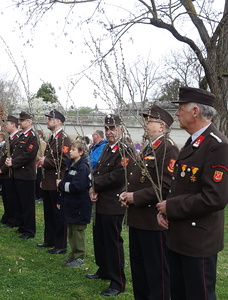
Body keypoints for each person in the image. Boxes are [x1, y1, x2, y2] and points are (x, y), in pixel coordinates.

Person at [156, 87, 228, 300]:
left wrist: (171, 207)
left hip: (199, 242)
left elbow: (215, 197)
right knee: (178, 293)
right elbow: (181, 186)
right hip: (179, 236)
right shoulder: (193, 141)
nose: (177, 114)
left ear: (195, 111)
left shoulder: (218, 145)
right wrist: (167, 211)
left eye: (180, 108)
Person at [119, 104, 179, 300]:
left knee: (157, 275)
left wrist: (135, 197)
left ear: (161, 126)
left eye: (148, 120)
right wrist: (126, 193)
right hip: (138, 220)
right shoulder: (149, 147)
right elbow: (139, 179)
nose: (145, 124)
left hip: (153, 222)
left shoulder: (168, 149)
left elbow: (165, 187)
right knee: (139, 272)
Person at [88, 114, 133, 296]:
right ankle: (104, 269)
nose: (109, 132)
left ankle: (117, 281)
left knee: (113, 242)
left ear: (120, 128)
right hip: (101, 202)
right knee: (100, 239)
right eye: (107, 129)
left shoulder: (125, 149)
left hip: (114, 202)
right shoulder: (107, 147)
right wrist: (94, 188)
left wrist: (94, 184)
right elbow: (99, 170)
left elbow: (116, 177)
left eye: (113, 128)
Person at [38, 109, 71, 254]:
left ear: (58, 121)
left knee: (58, 214)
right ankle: (49, 240)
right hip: (48, 181)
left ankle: (60, 245)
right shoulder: (52, 137)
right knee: (49, 213)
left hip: (57, 181)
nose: (47, 121)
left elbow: (65, 160)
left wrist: (47, 161)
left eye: (50, 119)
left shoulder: (64, 139)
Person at [57, 140, 92, 268]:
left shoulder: (83, 167)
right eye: (70, 149)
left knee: (78, 231)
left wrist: (60, 185)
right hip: (71, 204)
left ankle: (79, 257)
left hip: (80, 205)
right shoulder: (72, 165)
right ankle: (72, 254)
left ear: (81, 152)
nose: (70, 151)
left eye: (73, 150)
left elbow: (77, 186)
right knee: (71, 230)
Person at [5, 112, 39, 239]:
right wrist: (10, 161)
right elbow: (16, 151)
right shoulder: (22, 136)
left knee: (27, 204)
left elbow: (28, 154)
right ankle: (22, 226)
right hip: (18, 173)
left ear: (29, 122)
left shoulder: (32, 137)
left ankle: (29, 230)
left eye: (23, 120)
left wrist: (14, 162)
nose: (20, 122)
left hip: (26, 174)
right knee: (19, 202)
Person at [0, 115, 19, 228]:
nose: (5, 126)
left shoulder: (17, 138)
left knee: (10, 198)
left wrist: (1, 169)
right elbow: (3, 156)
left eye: (7, 124)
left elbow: (12, 157)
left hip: (10, 173)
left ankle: (12, 220)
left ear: (13, 125)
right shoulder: (9, 138)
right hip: (4, 172)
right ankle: (6, 217)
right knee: (5, 197)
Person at [35, 130, 46, 202]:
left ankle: (40, 196)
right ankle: (36, 195)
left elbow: (41, 153)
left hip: (39, 163)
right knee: (36, 180)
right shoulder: (36, 142)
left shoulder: (42, 143)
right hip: (35, 163)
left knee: (39, 180)